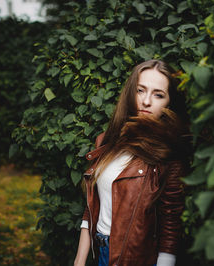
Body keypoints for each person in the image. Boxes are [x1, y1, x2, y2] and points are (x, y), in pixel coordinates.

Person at [74, 59, 189, 266]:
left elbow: (170, 225)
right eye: (140, 90)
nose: (146, 101)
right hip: (102, 253)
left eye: (158, 94)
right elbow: (93, 205)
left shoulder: (168, 154)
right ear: (130, 93)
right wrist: (79, 260)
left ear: (169, 102)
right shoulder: (107, 141)